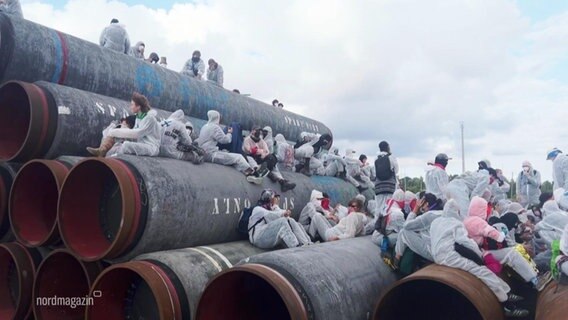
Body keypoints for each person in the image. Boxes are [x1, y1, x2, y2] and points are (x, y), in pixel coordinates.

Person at [430, 199, 529, 317]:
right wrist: (480, 256)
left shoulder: (435, 222)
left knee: (482, 271)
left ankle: (506, 292)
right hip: (450, 257)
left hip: (436, 257)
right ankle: (507, 304)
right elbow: (466, 242)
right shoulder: (456, 223)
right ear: (456, 212)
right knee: (483, 272)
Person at [465, 197, 548, 291]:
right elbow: (504, 240)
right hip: (481, 252)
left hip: (480, 250)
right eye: (520, 213)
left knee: (518, 250)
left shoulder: (471, 220)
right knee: (514, 252)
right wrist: (502, 237)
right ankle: (536, 280)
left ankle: (535, 272)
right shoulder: (497, 225)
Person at [195, 110, 263, 184]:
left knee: (231, 159)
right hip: (211, 154)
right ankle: (252, 173)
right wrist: (230, 133)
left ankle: (246, 173)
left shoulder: (204, 127)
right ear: (216, 117)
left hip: (203, 152)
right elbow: (226, 140)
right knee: (238, 157)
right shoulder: (215, 127)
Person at [105, 93, 161, 157]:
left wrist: (115, 132)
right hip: (141, 143)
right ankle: (104, 154)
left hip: (151, 147)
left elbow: (137, 133)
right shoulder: (138, 117)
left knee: (126, 145)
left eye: (132, 105)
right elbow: (134, 132)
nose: (130, 107)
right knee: (119, 142)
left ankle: (114, 158)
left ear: (138, 106)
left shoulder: (150, 119)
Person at [243, 126, 296, 192]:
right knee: (258, 163)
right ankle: (264, 175)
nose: (262, 133)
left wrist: (261, 153)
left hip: (264, 159)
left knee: (272, 164)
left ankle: (282, 181)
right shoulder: (248, 140)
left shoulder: (264, 141)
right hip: (254, 158)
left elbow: (266, 151)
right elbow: (249, 150)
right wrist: (259, 152)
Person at [395, 193, 444, 262]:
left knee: (403, 232)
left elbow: (406, 225)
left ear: (426, 204)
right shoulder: (441, 212)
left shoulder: (429, 216)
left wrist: (415, 208)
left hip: (434, 253)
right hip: (443, 251)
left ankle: (396, 260)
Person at [374, 141, 399, 216]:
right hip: (389, 184)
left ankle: (378, 222)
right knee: (389, 204)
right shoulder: (391, 157)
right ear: (387, 147)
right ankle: (387, 222)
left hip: (379, 185)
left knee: (379, 205)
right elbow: (396, 170)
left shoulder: (376, 159)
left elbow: (375, 172)